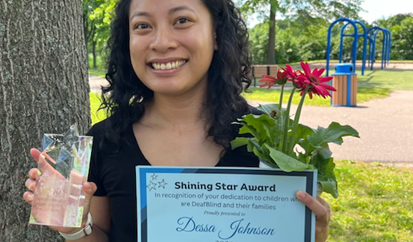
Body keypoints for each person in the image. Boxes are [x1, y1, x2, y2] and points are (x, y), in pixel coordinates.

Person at [23, 0, 331, 241]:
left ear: (216, 35)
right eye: (143, 25)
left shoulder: (269, 141)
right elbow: (100, 236)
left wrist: (307, 234)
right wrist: (72, 229)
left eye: (181, 20)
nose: (161, 41)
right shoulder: (106, 140)